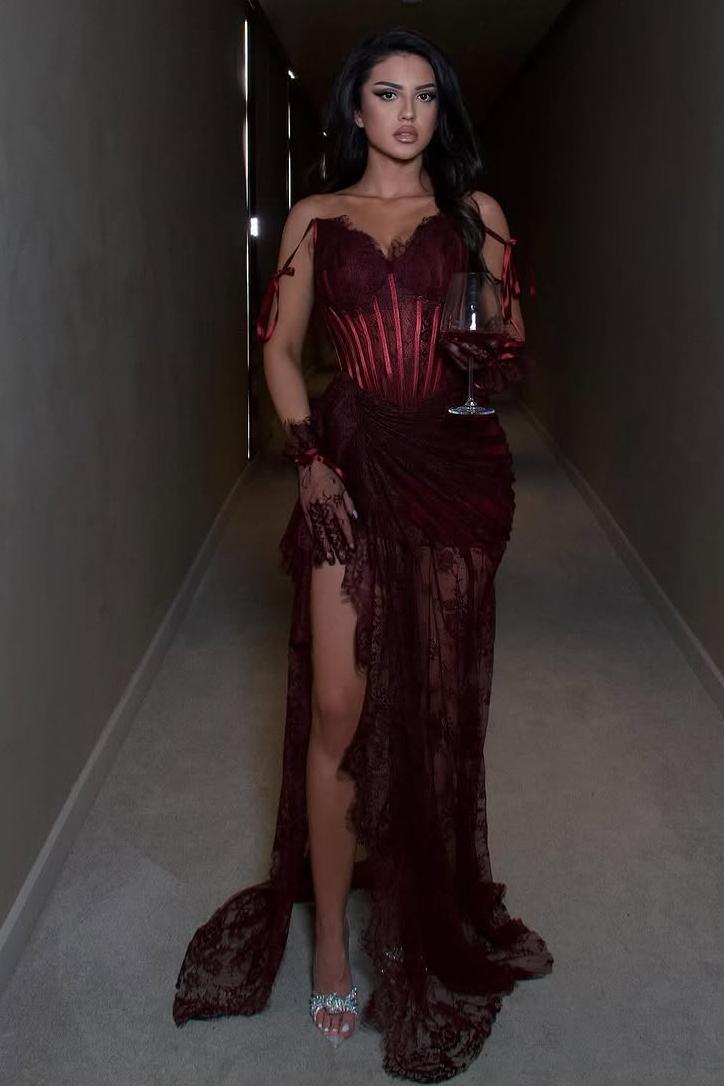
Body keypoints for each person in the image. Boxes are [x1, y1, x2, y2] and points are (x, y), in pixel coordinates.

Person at [173, 27, 553, 1083]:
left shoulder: (476, 214)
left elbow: (511, 340)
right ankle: (335, 943)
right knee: (340, 705)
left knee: (430, 698)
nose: (406, 113)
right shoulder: (315, 216)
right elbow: (280, 353)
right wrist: (307, 461)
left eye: (425, 96)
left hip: (455, 469)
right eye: (386, 94)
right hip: (345, 460)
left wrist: (492, 346)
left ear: (442, 112)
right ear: (355, 108)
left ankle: (423, 904)